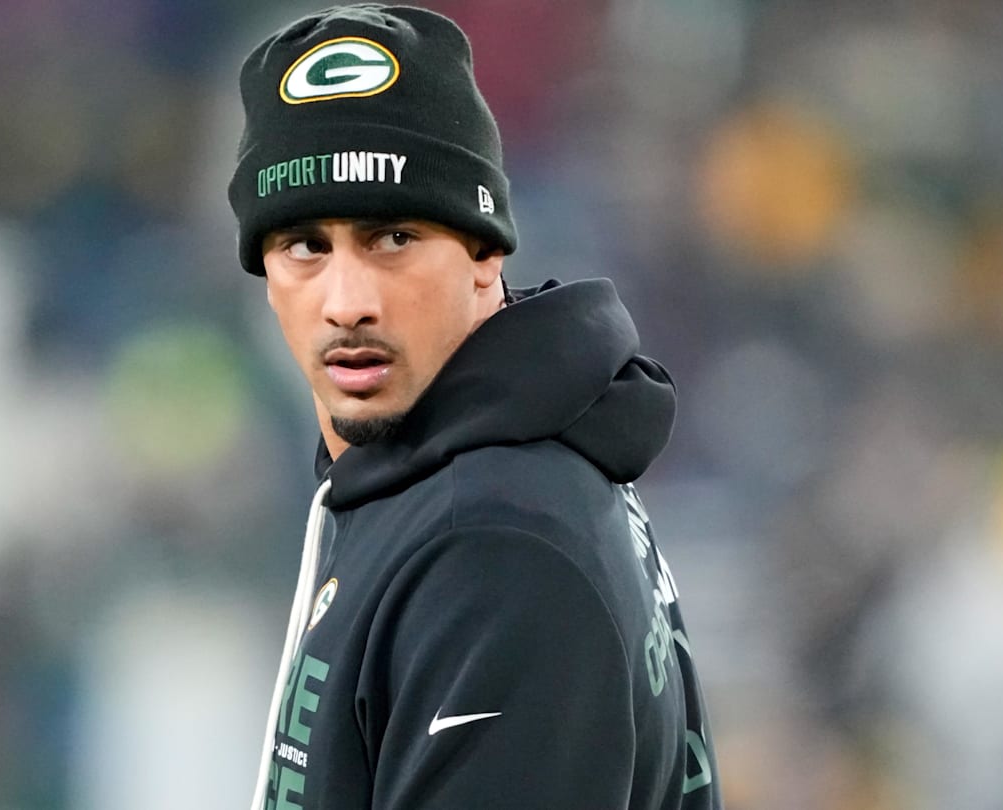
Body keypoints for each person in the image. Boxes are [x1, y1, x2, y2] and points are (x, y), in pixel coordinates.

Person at [227, 5, 723, 808]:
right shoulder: (434, 480)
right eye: (305, 247)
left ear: (485, 251)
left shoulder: (493, 540)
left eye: (392, 238)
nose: (346, 302)